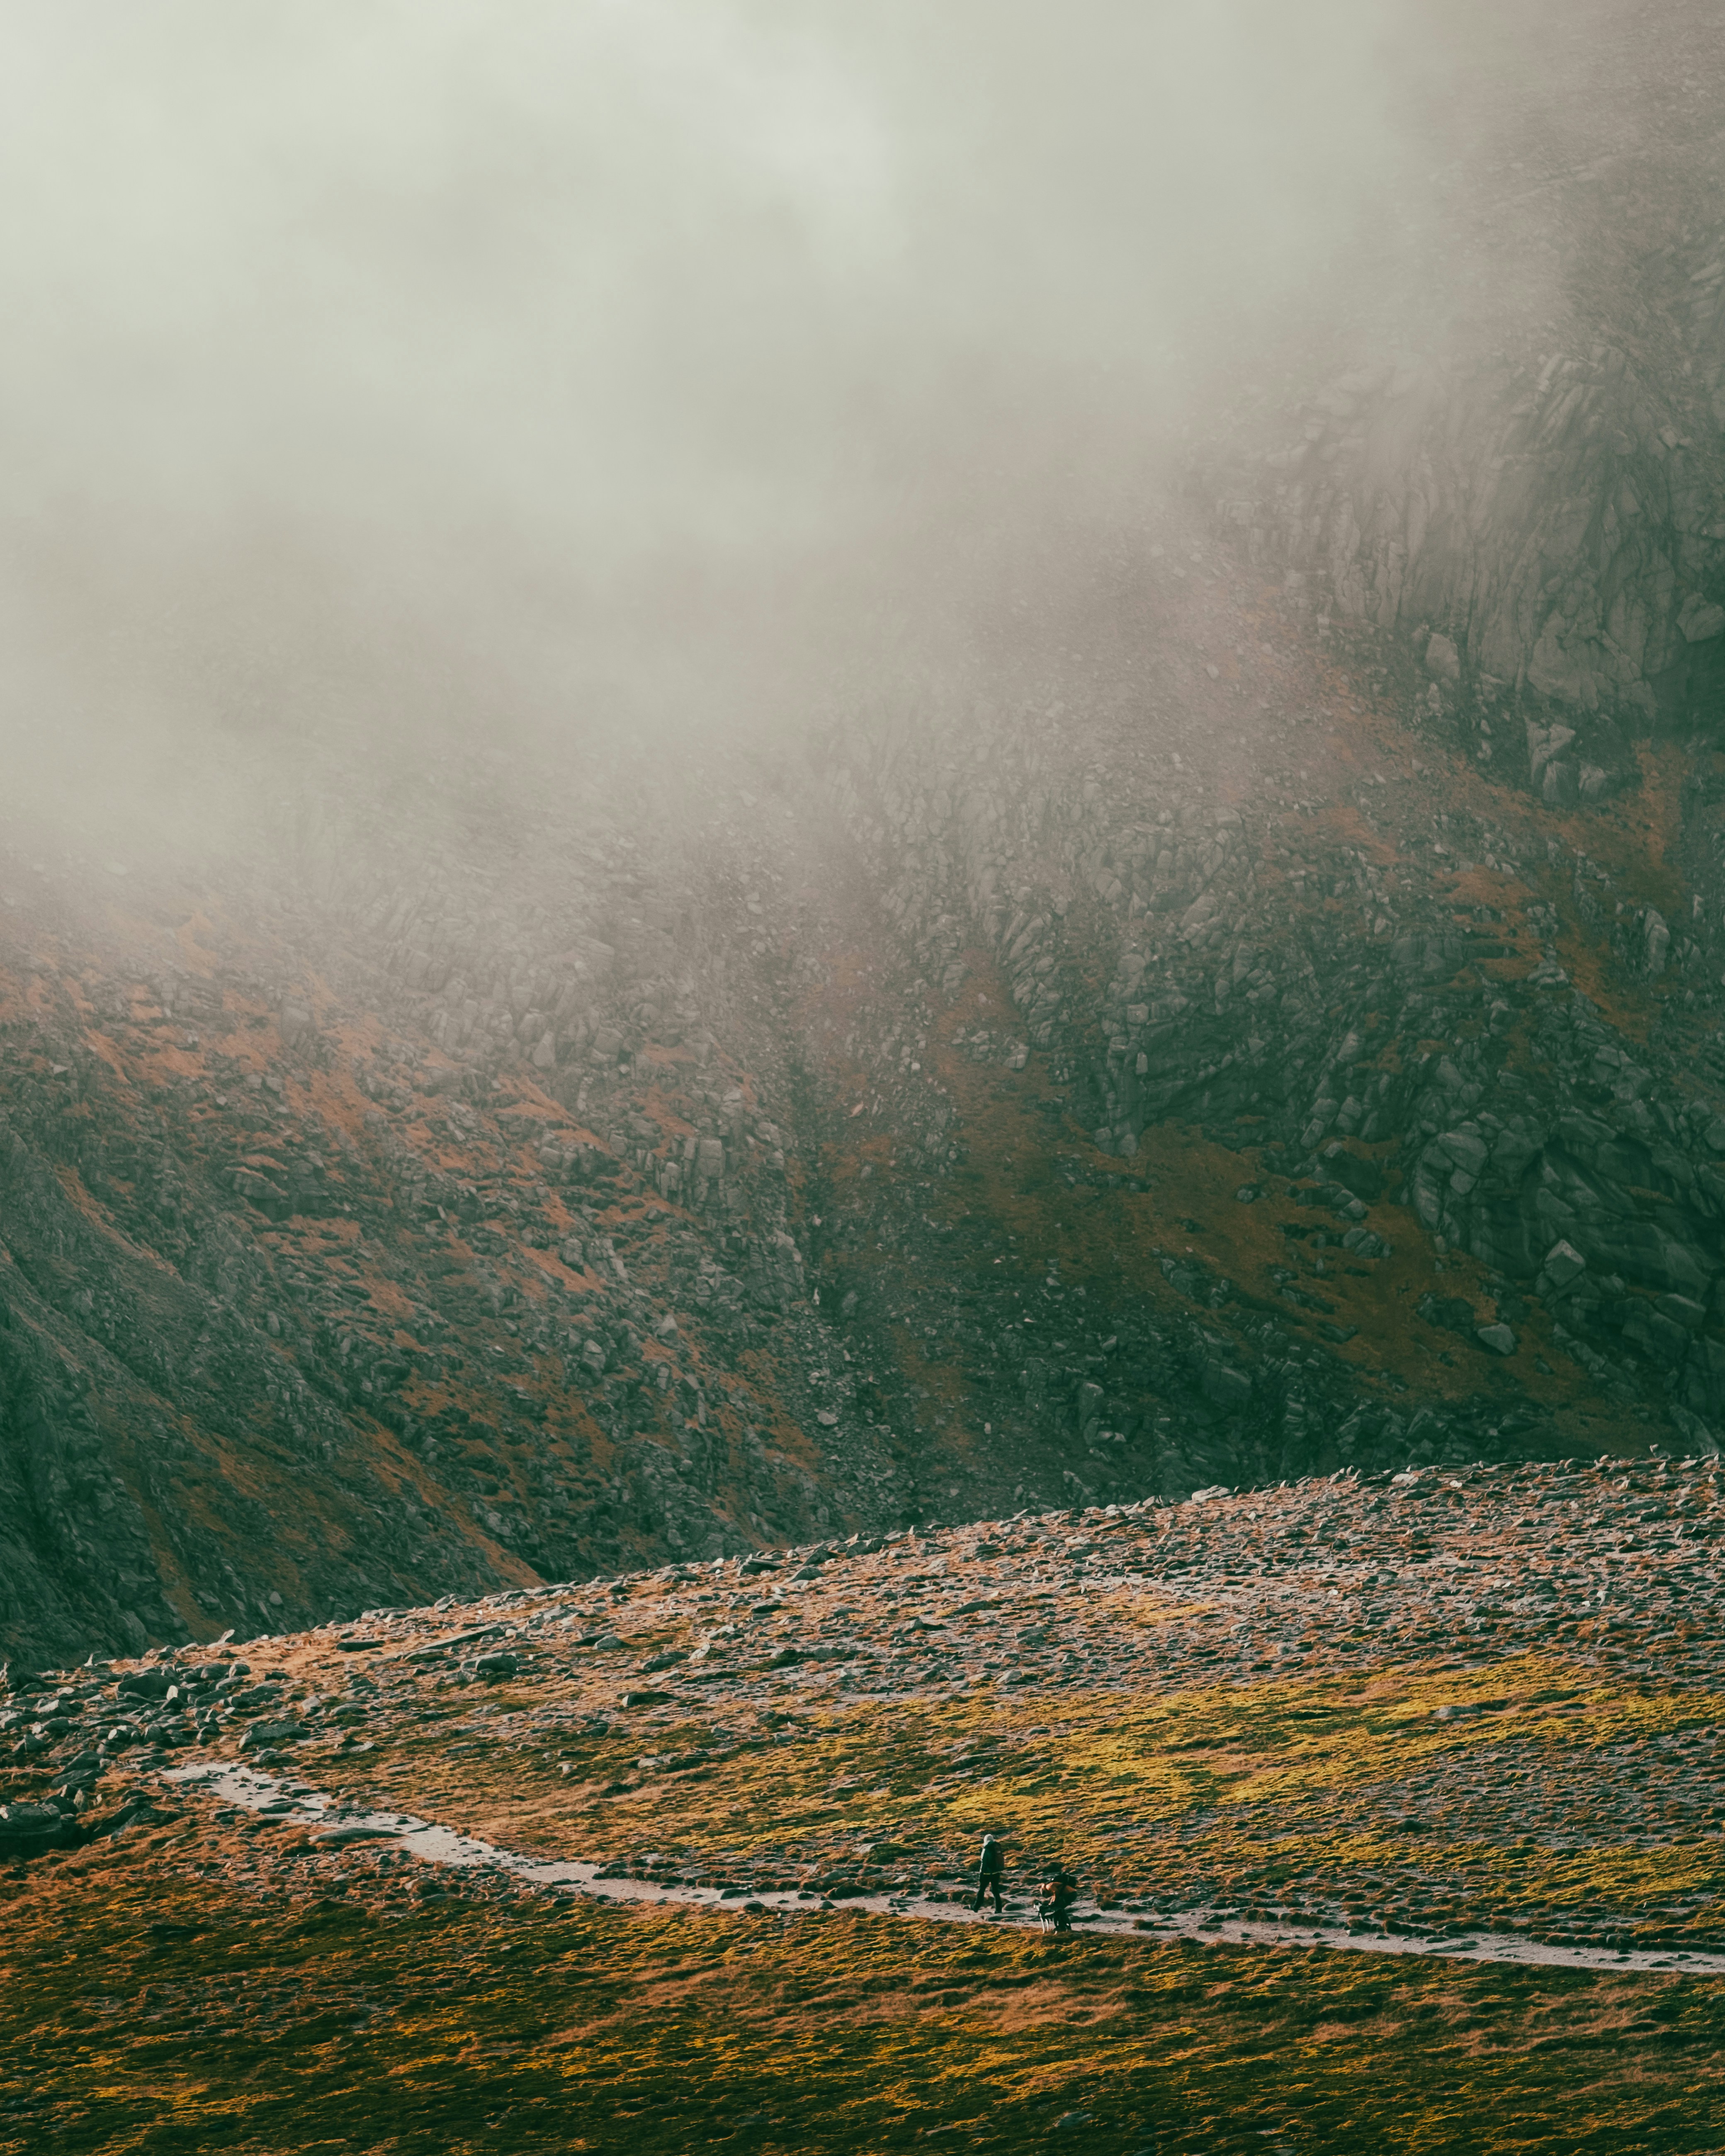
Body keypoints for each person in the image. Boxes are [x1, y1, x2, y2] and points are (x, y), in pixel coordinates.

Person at [972, 1833, 1006, 1913]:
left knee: (981, 1890)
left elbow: (984, 1863)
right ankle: (999, 1910)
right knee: (996, 1891)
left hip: (987, 1874)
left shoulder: (985, 1849)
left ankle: (976, 1908)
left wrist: (981, 1873)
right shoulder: (996, 1848)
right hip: (996, 1873)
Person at [1037, 1870, 1079, 1934]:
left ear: (1044, 1892)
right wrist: (1051, 1904)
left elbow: (1056, 1893)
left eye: (1047, 1896)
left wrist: (1055, 1903)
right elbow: (1055, 1896)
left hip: (1071, 1894)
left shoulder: (1049, 1887)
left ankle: (1062, 1927)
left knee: (1058, 1909)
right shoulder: (1052, 1885)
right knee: (1059, 1909)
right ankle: (1063, 1926)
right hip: (1071, 1894)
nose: (1049, 1896)